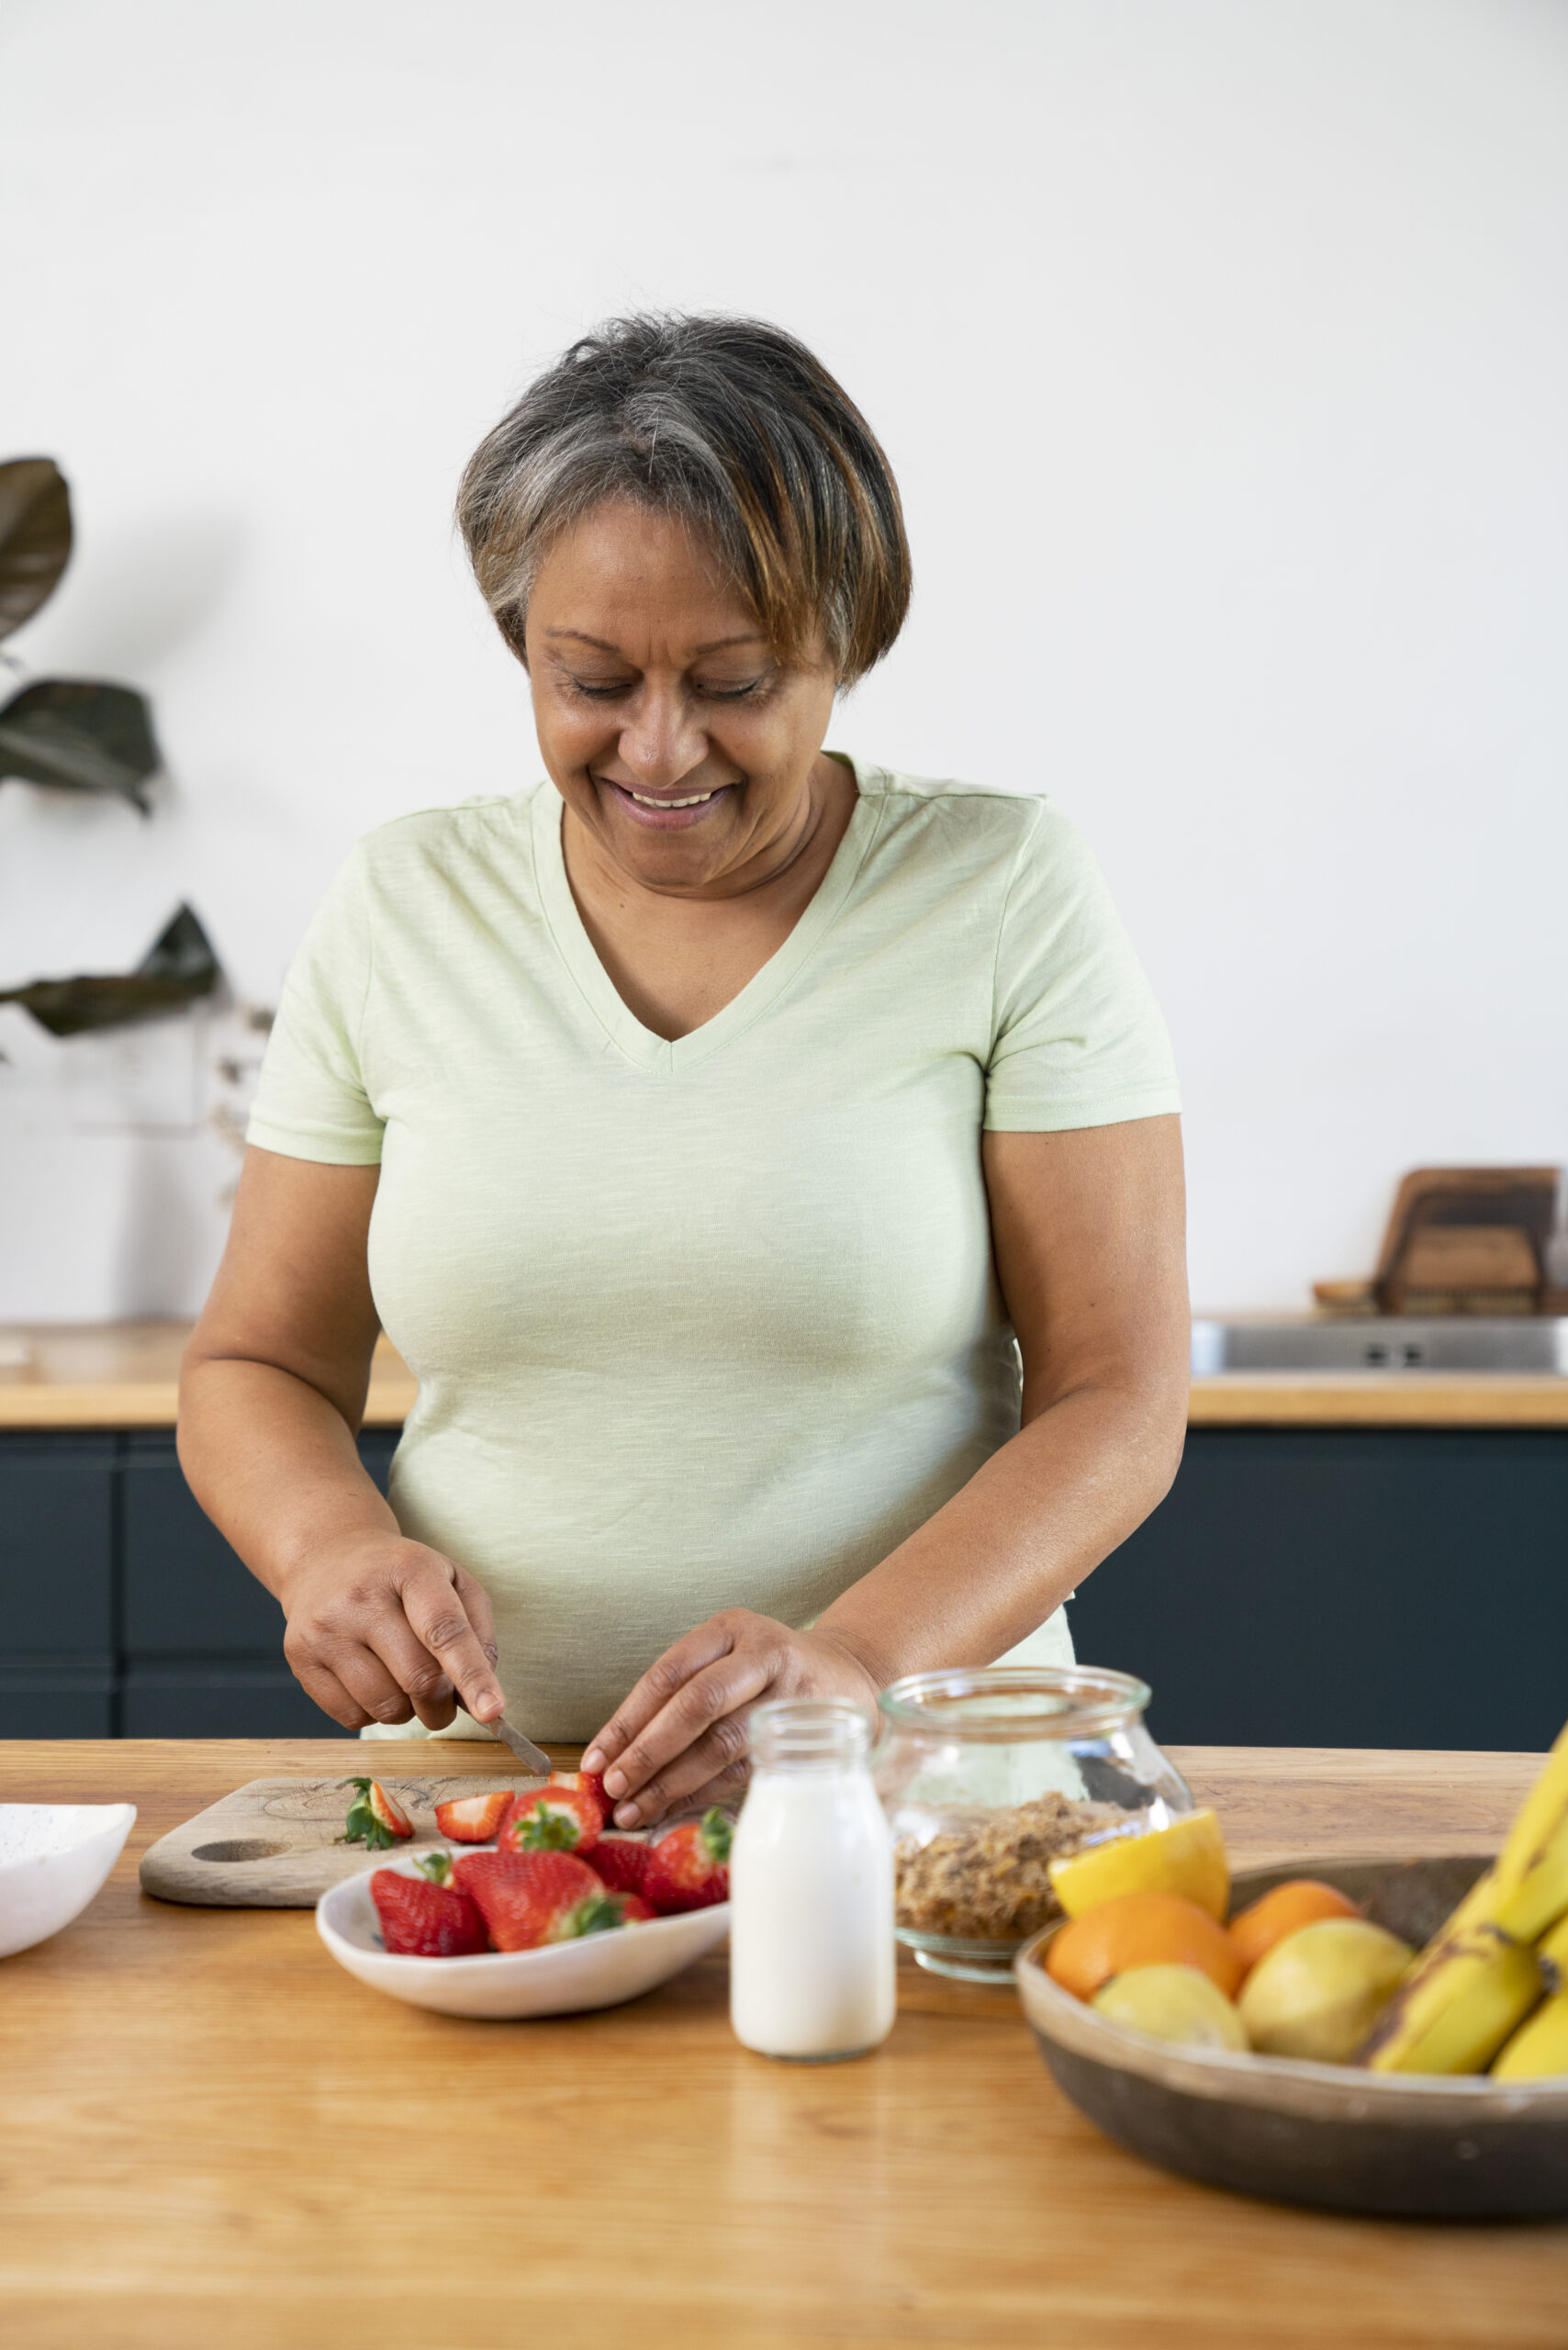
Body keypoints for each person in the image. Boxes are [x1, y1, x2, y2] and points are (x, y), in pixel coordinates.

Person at [179, 313, 1189, 1829]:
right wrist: (323, 1549)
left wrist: (853, 1662)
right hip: (487, 1811)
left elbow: (1119, 1397)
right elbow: (256, 1365)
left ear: (844, 647)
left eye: (734, 681)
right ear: (521, 642)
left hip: (908, 1790)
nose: (659, 749)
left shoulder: (1001, 888)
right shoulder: (402, 905)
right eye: (591, 679)